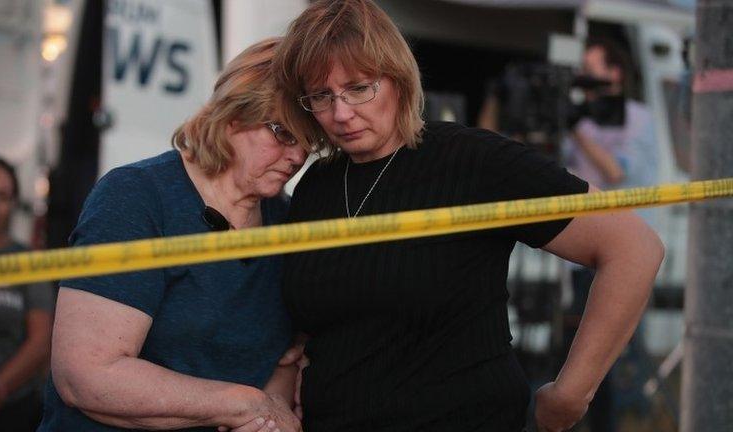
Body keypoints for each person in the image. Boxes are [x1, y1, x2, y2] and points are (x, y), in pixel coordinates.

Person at [272, 1, 664, 431]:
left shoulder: (473, 160)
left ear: (398, 78)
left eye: (359, 87)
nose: (341, 113)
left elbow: (633, 247)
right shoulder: (314, 187)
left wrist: (572, 393)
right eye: (321, 96)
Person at [37, 38, 310, 432]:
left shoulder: (286, 221)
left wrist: (269, 413)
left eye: (308, 141)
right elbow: (86, 375)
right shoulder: (138, 196)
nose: (298, 156)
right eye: (283, 133)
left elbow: (285, 360)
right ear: (233, 114)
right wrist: (242, 404)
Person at [561, 39, 660, 432]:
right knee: (575, 352)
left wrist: (577, 129)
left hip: (622, 249)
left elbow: (617, 172)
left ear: (615, 74)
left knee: (609, 356)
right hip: (578, 247)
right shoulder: (582, 117)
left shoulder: (635, 116)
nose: (584, 75)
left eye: (592, 67)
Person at [0, 156, 54, 432]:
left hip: (13, 406)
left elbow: (41, 340)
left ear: (13, 205)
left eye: (2, 196)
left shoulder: (28, 261)